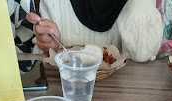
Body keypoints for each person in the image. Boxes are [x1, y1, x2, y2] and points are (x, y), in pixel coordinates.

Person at [26, 0, 163, 62]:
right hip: (68, 94)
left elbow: (142, 53)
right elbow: (47, 55)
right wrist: (50, 43)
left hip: (126, 100)